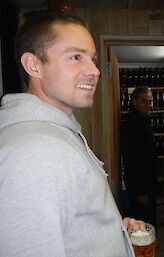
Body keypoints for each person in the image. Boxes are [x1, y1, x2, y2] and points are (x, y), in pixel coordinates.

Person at [0, 11, 144, 257]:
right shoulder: (34, 151)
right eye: (76, 57)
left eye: (93, 59)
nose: (95, 71)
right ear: (33, 65)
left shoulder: (55, 135)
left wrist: (110, 231)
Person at [121, 86, 159, 226]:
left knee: (148, 221)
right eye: (145, 101)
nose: (149, 105)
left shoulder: (142, 120)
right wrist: (141, 192)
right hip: (141, 187)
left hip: (147, 184)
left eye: (150, 102)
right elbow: (133, 159)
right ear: (134, 101)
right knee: (143, 224)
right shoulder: (132, 124)